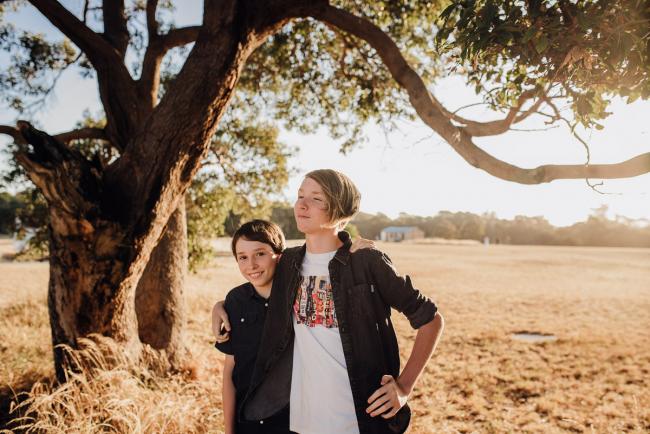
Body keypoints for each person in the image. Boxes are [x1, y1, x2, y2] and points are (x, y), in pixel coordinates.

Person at [214, 169, 444, 434]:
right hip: (302, 420)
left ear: (341, 211)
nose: (301, 204)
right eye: (300, 195)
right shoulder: (288, 263)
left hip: (359, 417)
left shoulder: (366, 262)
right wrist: (220, 306)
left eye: (316, 199)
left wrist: (404, 386)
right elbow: (255, 285)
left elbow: (431, 321)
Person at [215, 219, 291, 434]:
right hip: (248, 423)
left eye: (260, 254)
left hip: (293, 422)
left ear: (279, 255)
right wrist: (230, 431)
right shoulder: (235, 301)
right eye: (243, 257)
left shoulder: (298, 298)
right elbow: (230, 372)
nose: (251, 265)